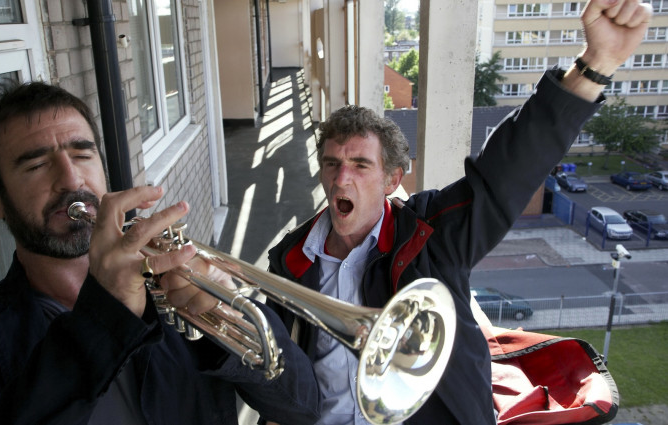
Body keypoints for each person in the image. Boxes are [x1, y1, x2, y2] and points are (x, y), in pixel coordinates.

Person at [264, 1, 652, 424]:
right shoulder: (289, 259)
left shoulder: (432, 234)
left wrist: (595, 64)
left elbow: (507, 170)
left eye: (360, 166)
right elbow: (277, 371)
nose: (342, 179)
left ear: (392, 180)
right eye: (332, 164)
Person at [0, 81, 320, 424]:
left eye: (82, 155)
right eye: (36, 165)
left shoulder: (173, 287)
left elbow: (303, 408)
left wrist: (226, 325)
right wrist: (104, 313)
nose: (71, 179)